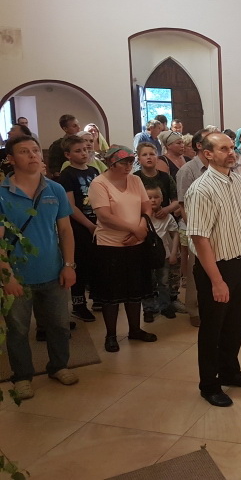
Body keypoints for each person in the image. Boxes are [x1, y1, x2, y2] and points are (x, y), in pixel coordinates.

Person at [185, 132, 241, 407]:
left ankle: (230, 371)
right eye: (223, 149)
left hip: (240, 261)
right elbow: (200, 238)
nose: (231, 152)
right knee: (212, 329)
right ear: (207, 154)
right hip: (215, 267)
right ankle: (209, 384)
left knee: (236, 324)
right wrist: (216, 281)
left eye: (231, 147)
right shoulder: (201, 189)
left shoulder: (238, 180)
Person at [0, 135, 78, 399]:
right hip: (17, 276)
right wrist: (7, 276)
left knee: (59, 325)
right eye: (24, 151)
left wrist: (69, 265)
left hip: (53, 271)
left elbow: (65, 230)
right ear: (11, 159)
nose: (33, 155)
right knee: (18, 330)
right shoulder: (2, 194)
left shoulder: (54, 189)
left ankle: (59, 366)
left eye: (35, 150)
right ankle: (22, 376)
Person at [88, 145, 157, 353]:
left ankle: (135, 329)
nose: (128, 166)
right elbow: (105, 216)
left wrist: (142, 227)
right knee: (111, 293)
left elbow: (146, 207)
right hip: (109, 245)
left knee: (135, 289)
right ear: (111, 163)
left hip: (136, 242)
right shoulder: (99, 183)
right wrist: (134, 229)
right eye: (123, 162)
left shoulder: (135, 180)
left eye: (130, 162)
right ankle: (111, 335)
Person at [58, 135, 100, 322]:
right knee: (80, 265)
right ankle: (79, 304)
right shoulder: (67, 175)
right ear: (68, 155)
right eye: (78, 151)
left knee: (96, 262)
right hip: (79, 226)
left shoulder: (93, 170)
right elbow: (70, 206)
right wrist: (89, 224)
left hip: (98, 224)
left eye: (85, 149)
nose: (84, 153)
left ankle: (98, 298)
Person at [176, 127, 214, 328]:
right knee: (195, 270)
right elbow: (183, 204)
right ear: (199, 145)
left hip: (217, 226)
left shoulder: (217, 167)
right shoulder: (188, 170)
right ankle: (193, 308)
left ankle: (212, 305)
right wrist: (195, 230)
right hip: (196, 227)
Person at [144, 185, 180, 322]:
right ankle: (148, 308)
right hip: (146, 257)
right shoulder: (141, 217)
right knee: (147, 283)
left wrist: (173, 253)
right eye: (149, 197)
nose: (153, 200)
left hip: (163, 256)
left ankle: (165, 306)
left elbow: (175, 235)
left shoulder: (167, 217)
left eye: (156, 197)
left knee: (164, 282)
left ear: (162, 199)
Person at [48, 114, 81, 178]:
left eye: (78, 124)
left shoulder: (83, 141)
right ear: (65, 129)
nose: (79, 127)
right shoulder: (57, 145)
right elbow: (55, 168)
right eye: (74, 126)